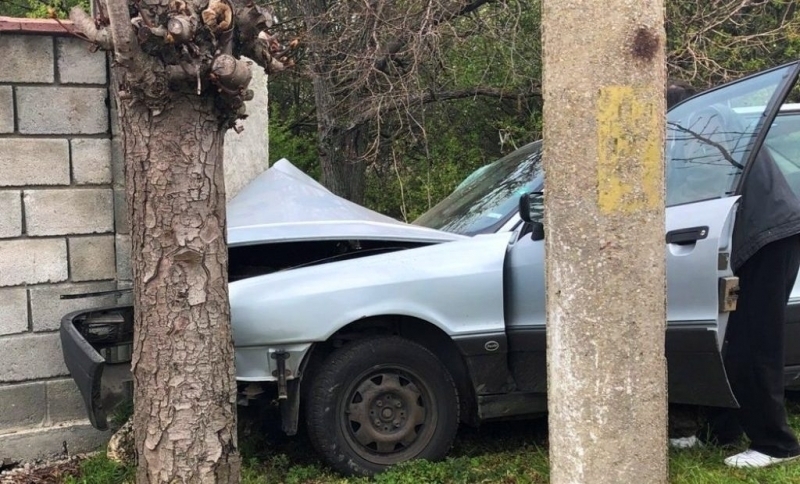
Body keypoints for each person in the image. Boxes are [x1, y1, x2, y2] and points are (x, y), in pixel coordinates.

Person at [665, 78, 800, 468]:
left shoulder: (705, 120)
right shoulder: (707, 118)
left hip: (766, 235)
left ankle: (776, 445)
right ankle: (723, 429)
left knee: (754, 342)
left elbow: (702, 174)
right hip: (756, 234)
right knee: (728, 337)